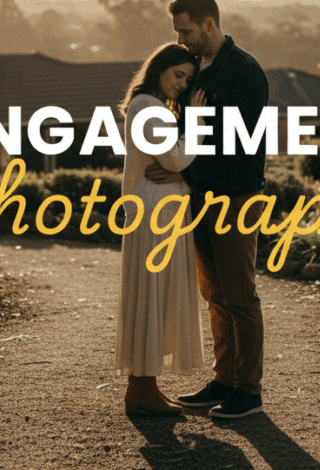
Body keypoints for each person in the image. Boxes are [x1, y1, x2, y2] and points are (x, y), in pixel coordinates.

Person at [145, 0, 269, 419]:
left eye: (186, 30)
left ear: (210, 24)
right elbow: (186, 132)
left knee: (240, 295)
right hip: (200, 199)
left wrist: (183, 172)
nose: (182, 38)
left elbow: (238, 143)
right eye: (178, 31)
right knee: (215, 294)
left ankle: (248, 393)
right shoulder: (195, 72)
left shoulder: (246, 72)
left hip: (235, 196)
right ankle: (225, 380)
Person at [115, 43, 207, 416]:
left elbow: (170, 161)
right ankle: (140, 389)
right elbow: (176, 158)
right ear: (158, 69)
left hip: (156, 205)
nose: (183, 84)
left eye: (188, 78)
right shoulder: (149, 108)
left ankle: (145, 385)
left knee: (150, 294)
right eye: (177, 75)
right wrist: (197, 120)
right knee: (153, 294)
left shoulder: (146, 106)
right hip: (157, 209)